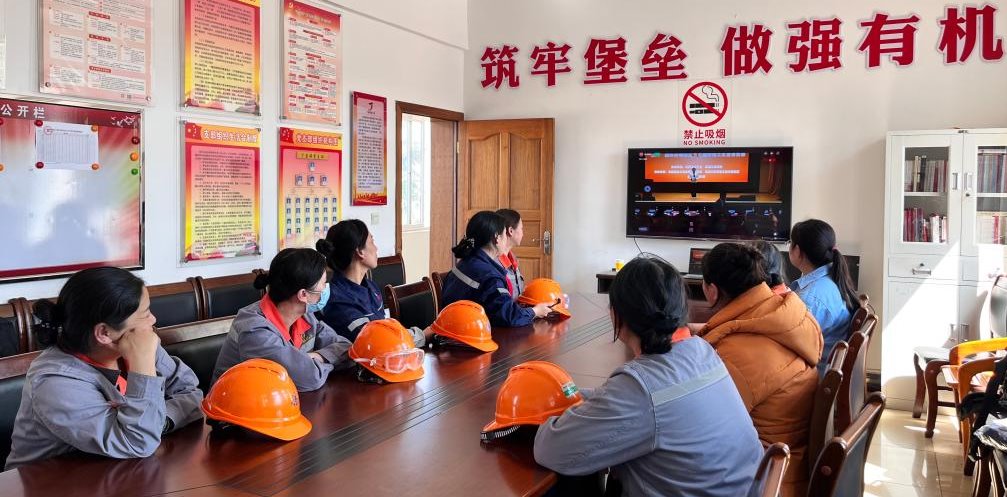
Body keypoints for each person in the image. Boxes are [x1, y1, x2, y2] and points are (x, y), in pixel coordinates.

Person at [534, 256, 762, 497]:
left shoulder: (640, 386)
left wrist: (543, 415)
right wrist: (573, 394)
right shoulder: (701, 350)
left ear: (616, 314)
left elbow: (550, 449)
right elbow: (633, 401)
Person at [6, 267, 203, 469]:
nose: (153, 320)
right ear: (104, 333)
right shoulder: (55, 384)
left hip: (117, 471)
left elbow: (192, 394)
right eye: (145, 314)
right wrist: (143, 366)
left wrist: (160, 421)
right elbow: (139, 442)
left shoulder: (137, 345)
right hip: (48, 480)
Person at [697, 243, 822, 497]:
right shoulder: (789, 315)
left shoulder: (735, 353)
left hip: (764, 479)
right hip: (790, 461)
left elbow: (702, 427)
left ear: (712, 290)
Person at [212, 248, 354, 392]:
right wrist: (325, 361)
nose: (326, 288)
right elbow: (310, 378)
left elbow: (347, 348)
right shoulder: (254, 330)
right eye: (323, 283)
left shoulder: (305, 316)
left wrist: (317, 357)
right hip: (236, 402)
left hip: (281, 398)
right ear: (303, 294)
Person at [316, 219, 430, 345]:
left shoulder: (371, 287)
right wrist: (423, 335)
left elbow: (384, 331)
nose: (376, 248)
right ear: (360, 252)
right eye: (372, 242)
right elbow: (378, 341)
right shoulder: (338, 301)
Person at [441, 211, 552, 327]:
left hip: (452, 325)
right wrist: (536, 311)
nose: (506, 239)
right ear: (497, 238)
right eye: (504, 234)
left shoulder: (466, 262)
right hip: (470, 331)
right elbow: (510, 317)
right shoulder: (490, 275)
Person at [788, 219, 858, 374]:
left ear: (797, 251)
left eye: (790, 242)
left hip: (812, 376)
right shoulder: (830, 280)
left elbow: (790, 347)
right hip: (822, 368)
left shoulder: (811, 298)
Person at [495, 208, 526, 298]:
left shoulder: (512, 259)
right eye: (521, 228)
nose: (523, 234)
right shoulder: (494, 263)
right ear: (511, 231)